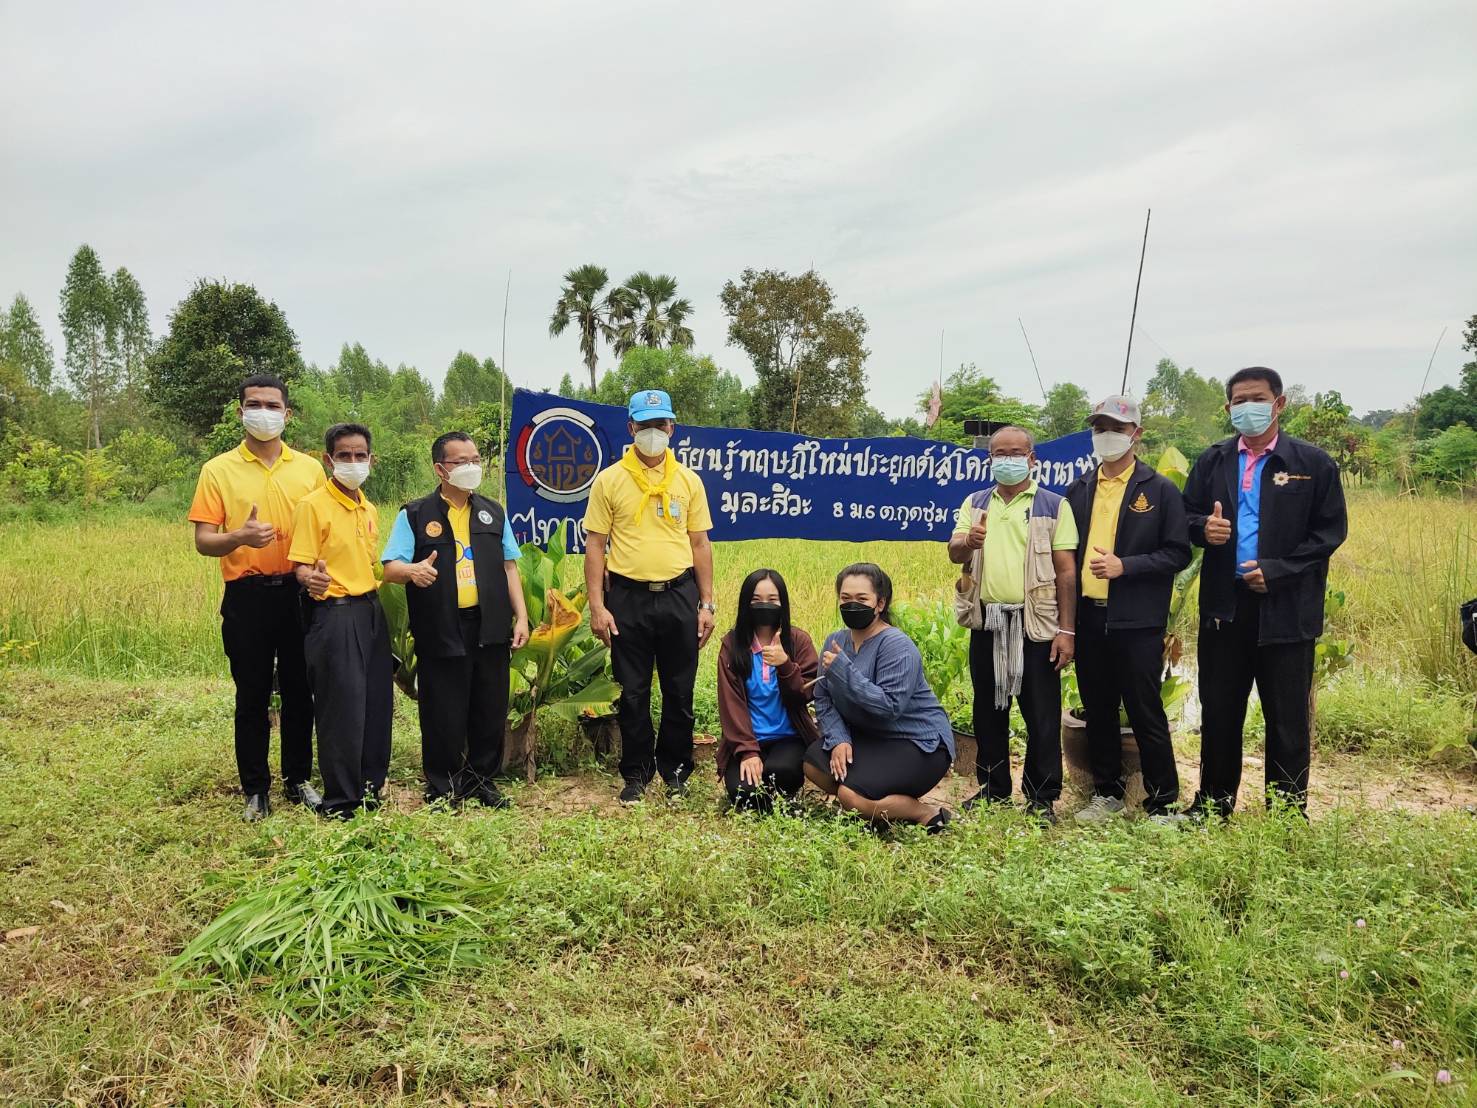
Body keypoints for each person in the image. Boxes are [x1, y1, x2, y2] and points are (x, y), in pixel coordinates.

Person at [1183, 366, 1347, 817]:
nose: (1247, 407)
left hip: (1288, 610)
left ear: (1279, 404)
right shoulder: (1212, 460)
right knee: (1219, 713)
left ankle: (1287, 813)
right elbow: (1185, 517)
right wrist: (1204, 528)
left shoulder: (1312, 464)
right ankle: (1213, 805)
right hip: (1225, 607)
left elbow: (1329, 533)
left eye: (1257, 398)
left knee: (1288, 718)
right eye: (1239, 400)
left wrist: (1277, 570)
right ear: (1227, 408)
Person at [188, 374, 326, 821]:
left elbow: (325, 530)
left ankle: (298, 779)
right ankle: (255, 789)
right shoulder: (218, 470)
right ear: (239, 411)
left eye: (272, 405)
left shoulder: (309, 469)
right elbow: (204, 541)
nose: (263, 412)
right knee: (251, 694)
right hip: (246, 595)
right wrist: (239, 536)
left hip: (298, 593)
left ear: (287, 414)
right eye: (254, 404)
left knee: (299, 691)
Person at [381, 432, 531, 808]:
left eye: (476, 460)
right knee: (442, 710)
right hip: (441, 625)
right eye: (460, 462)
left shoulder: (493, 511)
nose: (471, 467)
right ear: (439, 469)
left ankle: (482, 780)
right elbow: (390, 567)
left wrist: (522, 617)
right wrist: (412, 571)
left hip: (490, 625)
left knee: (490, 706)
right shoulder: (414, 514)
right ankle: (442, 785)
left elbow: (510, 567)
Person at [583, 389, 717, 804]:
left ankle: (675, 769)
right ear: (631, 428)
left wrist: (707, 603)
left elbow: (700, 544)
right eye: (645, 426)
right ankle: (636, 773)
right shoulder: (609, 480)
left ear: (672, 428)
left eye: (660, 425)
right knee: (632, 691)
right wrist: (597, 606)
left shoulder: (688, 481)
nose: (653, 433)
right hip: (627, 599)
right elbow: (595, 545)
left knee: (680, 689)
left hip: (679, 595)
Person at [1063, 395, 1192, 824]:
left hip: (1137, 619)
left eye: (1116, 428)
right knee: (1098, 707)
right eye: (1100, 428)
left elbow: (1177, 553)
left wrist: (1126, 566)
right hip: (1089, 614)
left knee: (1144, 708)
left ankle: (1162, 801)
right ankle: (1107, 794)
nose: (1107, 436)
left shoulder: (1159, 490)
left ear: (1136, 434)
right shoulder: (1080, 488)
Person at [948, 426, 1078, 823]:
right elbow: (954, 552)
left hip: (1035, 624)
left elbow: (1066, 573)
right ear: (989, 459)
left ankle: (1042, 798)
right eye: (999, 453)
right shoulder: (975, 502)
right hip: (987, 622)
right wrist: (969, 541)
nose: (1007, 459)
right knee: (988, 710)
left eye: (1015, 452)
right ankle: (993, 789)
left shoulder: (1053, 505)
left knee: (1041, 712)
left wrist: (1067, 631)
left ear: (1032, 458)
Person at [288, 423, 393, 820]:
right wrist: (308, 578)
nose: (353, 462)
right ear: (328, 460)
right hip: (334, 614)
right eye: (344, 455)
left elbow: (368, 564)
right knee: (341, 707)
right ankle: (342, 800)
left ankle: (369, 788)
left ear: (371, 459)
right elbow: (301, 564)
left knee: (375, 703)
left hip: (370, 610)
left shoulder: (369, 508)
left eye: (360, 455)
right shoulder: (313, 505)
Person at [802, 563, 956, 832]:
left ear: (880, 603)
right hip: (871, 737)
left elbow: (888, 707)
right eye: (845, 599)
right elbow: (823, 697)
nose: (853, 605)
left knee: (850, 795)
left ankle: (921, 812)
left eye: (862, 599)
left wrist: (843, 671)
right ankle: (879, 806)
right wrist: (839, 739)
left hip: (918, 742)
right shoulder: (835, 640)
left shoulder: (897, 645)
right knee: (814, 763)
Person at [715, 569, 820, 812]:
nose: (765, 606)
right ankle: (775, 805)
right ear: (746, 604)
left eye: (772, 600)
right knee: (744, 792)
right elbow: (731, 705)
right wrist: (748, 752)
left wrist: (784, 664)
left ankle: (782, 801)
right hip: (747, 738)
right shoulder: (732, 645)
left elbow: (804, 694)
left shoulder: (798, 641)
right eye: (756, 600)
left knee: (781, 772)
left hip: (788, 737)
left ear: (782, 603)